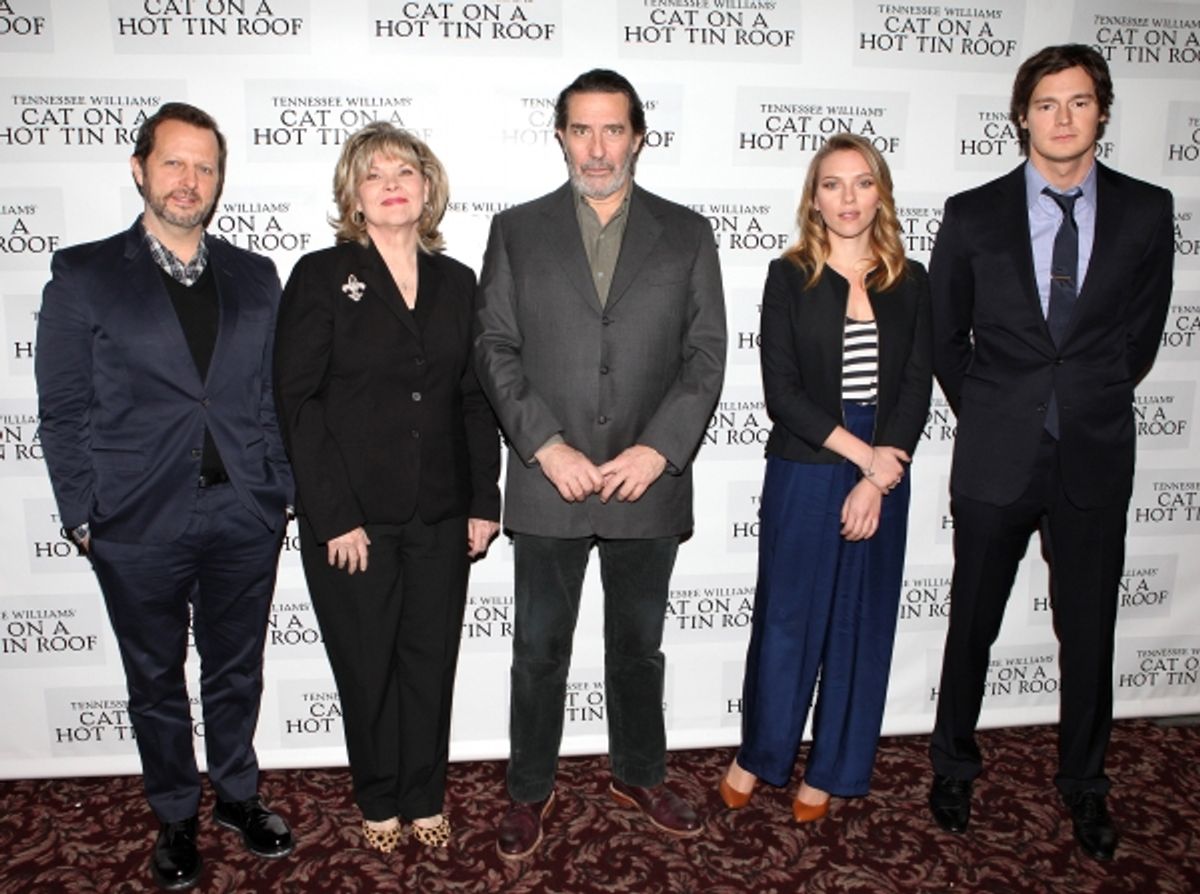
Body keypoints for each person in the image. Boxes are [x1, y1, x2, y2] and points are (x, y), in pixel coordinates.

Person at [35, 102, 294, 891]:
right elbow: (63, 408)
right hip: (135, 520)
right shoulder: (83, 274)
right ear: (140, 168)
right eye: (175, 163)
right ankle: (176, 812)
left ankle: (238, 796)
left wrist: (278, 491)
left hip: (244, 514)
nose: (190, 181)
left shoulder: (256, 275)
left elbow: (273, 398)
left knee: (236, 668)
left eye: (205, 167)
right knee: (154, 676)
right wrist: (83, 516)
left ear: (220, 181)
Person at [926, 44, 1174, 862]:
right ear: (1021, 115)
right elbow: (943, 335)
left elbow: (1137, 339)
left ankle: (1086, 784)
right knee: (973, 622)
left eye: (1077, 102)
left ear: (1101, 112)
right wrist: (999, 411)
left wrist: (1080, 402)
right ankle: (954, 763)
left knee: (1090, 629)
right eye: (1045, 103)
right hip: (998, 453)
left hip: (1095, 449)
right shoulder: (971, 214)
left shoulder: (1146, 210)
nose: (1061, 117)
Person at [474, 68, 726, 859]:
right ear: (559, 136)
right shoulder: (516, 230)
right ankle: (528, 790)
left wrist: (658, 449)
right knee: (538, 649)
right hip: (551, 485)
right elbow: (494, 348)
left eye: (612, 129)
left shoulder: (687, 234)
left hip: (648, 484)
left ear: (639, 137)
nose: (596, 147)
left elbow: (706, 355)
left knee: (637, 646)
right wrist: (544, 446)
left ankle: (639, 773)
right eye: (580, 129)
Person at [273, 122, 500, 853]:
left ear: (428, 188)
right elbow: (297, 401)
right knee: (367, 665)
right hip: (353, 519)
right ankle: (378, 797)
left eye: (406, 169)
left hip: (440, 512)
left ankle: (424, 793)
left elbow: (473, 399)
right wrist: (331, 513)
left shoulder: (458, 282)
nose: (393, 181)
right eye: (375, 174)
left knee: (430, 661)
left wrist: (482, 500)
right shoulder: (319, 275)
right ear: (354, 195)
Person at [720, 134, 932, 822]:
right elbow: (782, 392)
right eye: (833, 184)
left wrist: (881, 470)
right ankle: (761, 753)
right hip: (808, 463)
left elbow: (915, 388)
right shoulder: (790, 276)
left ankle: (833, 770)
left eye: (862, 183)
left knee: (859, 625)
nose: (848, 198)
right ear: (814, 197)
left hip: (885, 466)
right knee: (786, 620)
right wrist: (858, 458)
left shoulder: (912, 280)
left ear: (882, 192)